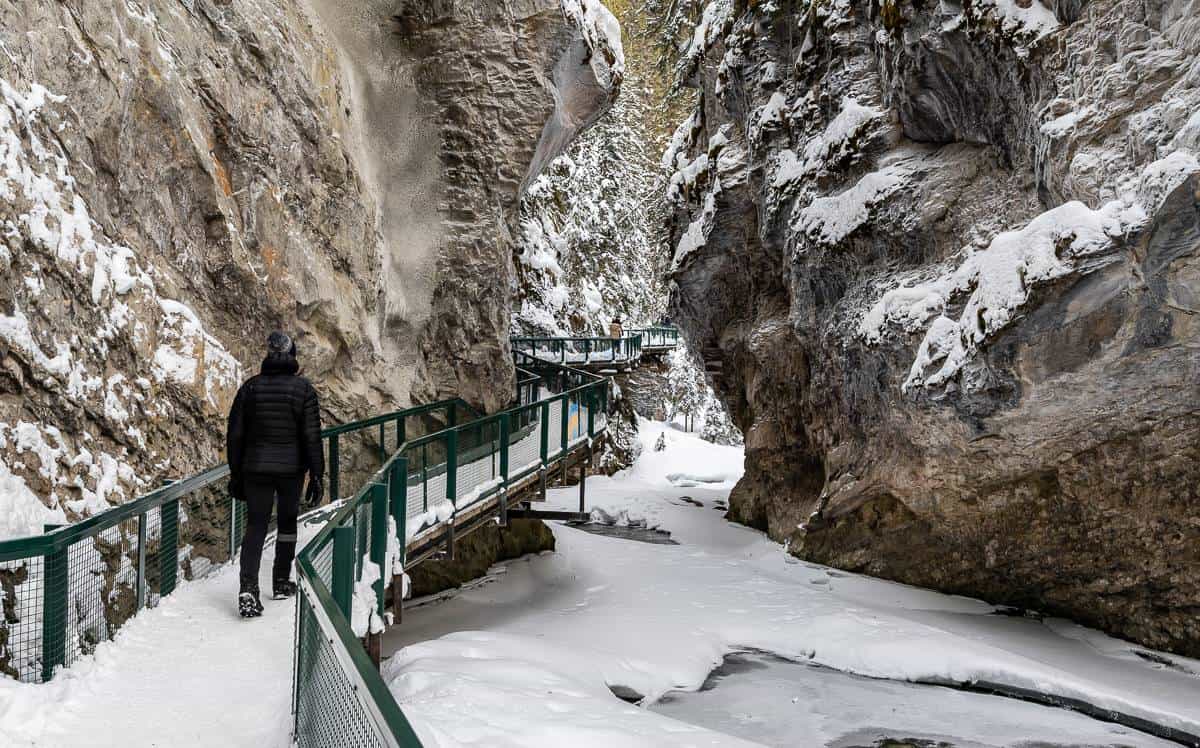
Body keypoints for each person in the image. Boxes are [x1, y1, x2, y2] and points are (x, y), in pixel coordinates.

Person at [226, 332, 324, 618]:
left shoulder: (250, 388)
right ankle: (281, 581)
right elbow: (311, 435)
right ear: (292, 356)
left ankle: (248, 588)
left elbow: (235, 435)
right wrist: (317, 474)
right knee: (287, 524)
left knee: (255, 527)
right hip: (291, 470)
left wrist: (236, 473)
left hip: (255, 468)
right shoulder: (303, 390)